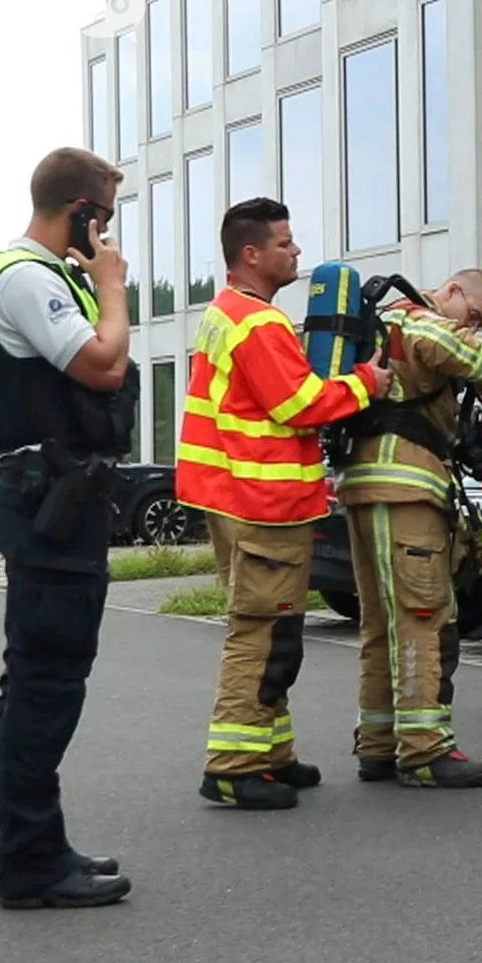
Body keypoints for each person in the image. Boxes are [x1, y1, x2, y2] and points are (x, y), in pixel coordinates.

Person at [0, 147, 138, 908]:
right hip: (48, 497)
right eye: (106, 219)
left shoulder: (26, 277)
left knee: (45, 677)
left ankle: (40, 844)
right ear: (82, 214)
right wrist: (112, 287)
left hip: (51, 492)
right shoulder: (28, 278)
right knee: (45, 679)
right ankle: (31, 862)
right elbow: (103, 364)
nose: (108, 236)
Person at [177, 197, 391, 810]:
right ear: (251, 253)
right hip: (262, 499)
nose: (296, 250)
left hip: (233, 496)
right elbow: (297, 404)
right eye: (285, 242)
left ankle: (272, 754)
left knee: (279, 629)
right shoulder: (259, 324)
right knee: (263, 632)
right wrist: (366, 384)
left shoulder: (226, 315)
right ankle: (233, 766)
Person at [340, 269, 482, 788]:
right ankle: (424, 750)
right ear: (452, 291)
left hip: (362, 486)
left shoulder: (377, 326)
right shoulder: (416, 321)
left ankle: (378, 744)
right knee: (422, 615)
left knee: (379, 622)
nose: (474, 327)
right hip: (405, 488)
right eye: (474, 316)